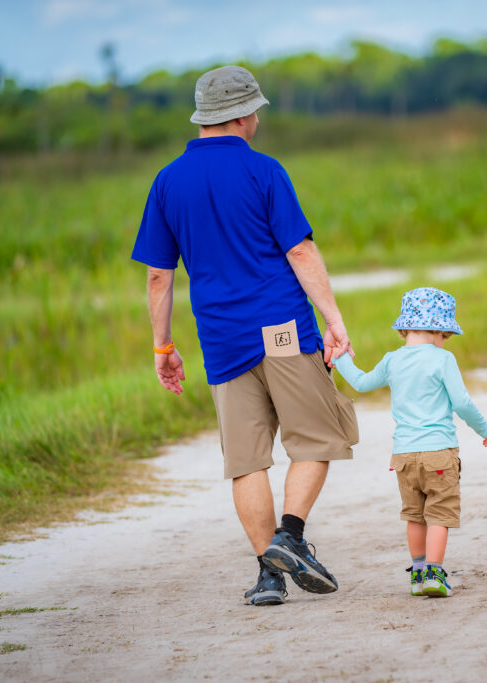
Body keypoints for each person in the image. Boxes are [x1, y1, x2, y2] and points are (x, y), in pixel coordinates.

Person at [131, 65, 359, 607]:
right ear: (240, 115)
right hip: (282, 328)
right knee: (317, 436)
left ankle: (268, 577)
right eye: (255, 109)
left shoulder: (167, 180)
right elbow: (299, 251)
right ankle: (291, 537)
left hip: (221, 339)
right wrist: (333, 319)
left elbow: (159, 275)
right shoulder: (265, 171)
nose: (257, 118)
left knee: (247, 459)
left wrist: (163, 346)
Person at [332, 287, 487, 598]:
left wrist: (340, 358)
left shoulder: (392, 360)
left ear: (405, 326)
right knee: (440, 514)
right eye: (446, 335)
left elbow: (362, 382)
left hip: (403, 457)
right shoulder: (443, 359)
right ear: (439, 330)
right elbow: (460, 402)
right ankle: (434, 573)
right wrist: (483, 428)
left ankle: (418, 573)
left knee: (414, 514)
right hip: (439, 454)